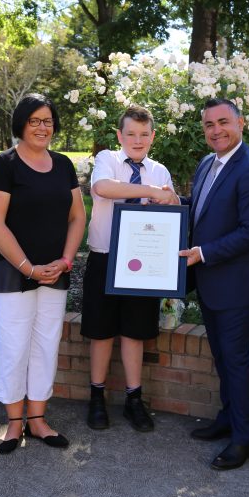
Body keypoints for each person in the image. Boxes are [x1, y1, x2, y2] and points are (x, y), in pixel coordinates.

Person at [0, 93, 85, 454]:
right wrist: (28, 267)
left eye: (48, 121)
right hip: (12, 274)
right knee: (13, 349)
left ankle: (38, 420)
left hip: (55, 272)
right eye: (35, 121)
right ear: (21, 125)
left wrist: (66, 260)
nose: (43, 127)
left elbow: (78, 217)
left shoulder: (63, 165)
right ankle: (13, 424)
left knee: (45, 346)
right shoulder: (4, 165)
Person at [180, 98, 249, 470]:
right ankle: (228, 418)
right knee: (222, 356)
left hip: (236, 285)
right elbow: (204, 210)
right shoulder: (208, 163)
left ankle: (244, 439)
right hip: (211, 281)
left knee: (236, 360)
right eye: (208, 125)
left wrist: (203, 253)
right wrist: (176, 204)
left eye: (223, 122)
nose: (216, 130)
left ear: (241, 123)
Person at [82, 105, 179, 432]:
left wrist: (168, 199)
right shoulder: (108, 160)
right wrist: (149, 192)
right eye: (131, 134)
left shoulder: (160, 171)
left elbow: (174, 207)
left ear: (153, 136)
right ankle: (97, 397)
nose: (137, 140)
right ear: (120, 136)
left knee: (135, 332)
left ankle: (134, 399)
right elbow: (104, 189)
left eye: (144, 134)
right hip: (106, 257)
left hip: (143, 264)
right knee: (101, 331)